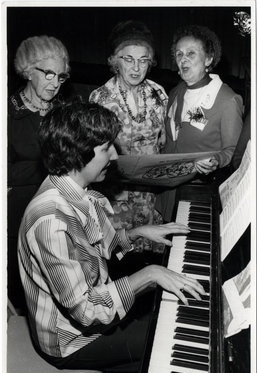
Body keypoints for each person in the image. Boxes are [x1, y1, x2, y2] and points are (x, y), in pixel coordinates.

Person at [18, 99, 205, 373]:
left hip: (92, 309)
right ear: (77, 154)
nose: (115, 156)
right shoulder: (50, 223)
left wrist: (137, 233)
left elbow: (95, 248)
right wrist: (149, 275)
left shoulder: (76, 189)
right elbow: (87, 311)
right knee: (171, 336)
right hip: (71, 341)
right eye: (106, 148)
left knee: (163, 317)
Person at [89, 20, 168, 255]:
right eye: (128, 59)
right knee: (119, 258)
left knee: (151, 256)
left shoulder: (159, 94)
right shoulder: (100, 99)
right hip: (116, 197)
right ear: (115, 61)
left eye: (143, 60)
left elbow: (162, 143)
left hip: (151, 194)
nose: (136, 67)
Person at [156, 25, 243, 222]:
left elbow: (233, 151)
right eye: (179, 54)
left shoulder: (227, 100)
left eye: (191, 53)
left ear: (209, 59)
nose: (183, 59)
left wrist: (216, 161)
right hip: (166, 189)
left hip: (195, 194)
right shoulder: (176, 92)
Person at [8, 35, 70, 309]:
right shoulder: (9, 114)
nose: (55, 84)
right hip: (19, 215)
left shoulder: (63, 112)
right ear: (27, 71)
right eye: (48, 74)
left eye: (61, 76)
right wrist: (52, 167)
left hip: (60, 211)